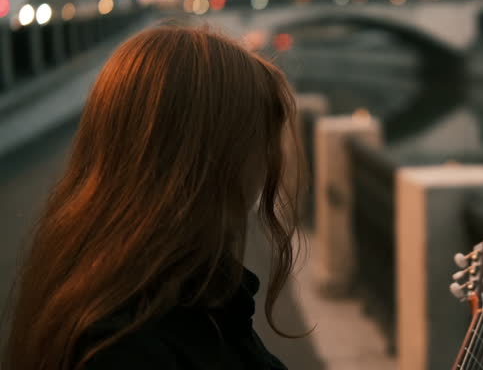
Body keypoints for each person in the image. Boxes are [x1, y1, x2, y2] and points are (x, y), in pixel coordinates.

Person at [1, 24, 305, 370]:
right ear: (212, 155)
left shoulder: (112, 292)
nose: (269, 160)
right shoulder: (130, 348)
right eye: (260, 139)